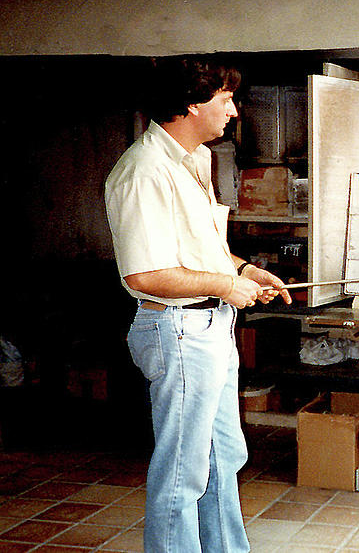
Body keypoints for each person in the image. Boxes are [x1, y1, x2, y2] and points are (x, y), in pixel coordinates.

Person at [104, 56, 291, 552]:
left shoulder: (195, 159)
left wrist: (243, 271)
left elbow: (199, 248)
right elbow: (144, 273)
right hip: (178, 330)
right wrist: (224, 286)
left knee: (222, 456)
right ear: (191, 103)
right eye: (225, 98)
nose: (233, 110)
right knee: (183, 472)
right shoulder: (144, 171)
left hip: (210, 325)